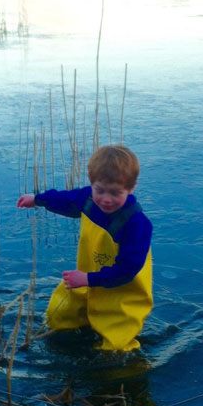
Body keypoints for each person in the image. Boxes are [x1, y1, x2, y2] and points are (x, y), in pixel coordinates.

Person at [17, 145, 153, 351]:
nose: (106, 199)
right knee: (58, 315)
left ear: (131, 187)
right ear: (92, 185)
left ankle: (120, 366)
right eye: (100, 191)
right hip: (87, 279)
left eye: (116, 193)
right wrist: (37, 199)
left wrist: (88, 279)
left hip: (122, 294)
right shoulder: (88, 199)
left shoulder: (137, 224)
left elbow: (127, 271)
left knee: (116, 347)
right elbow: (65, 199)